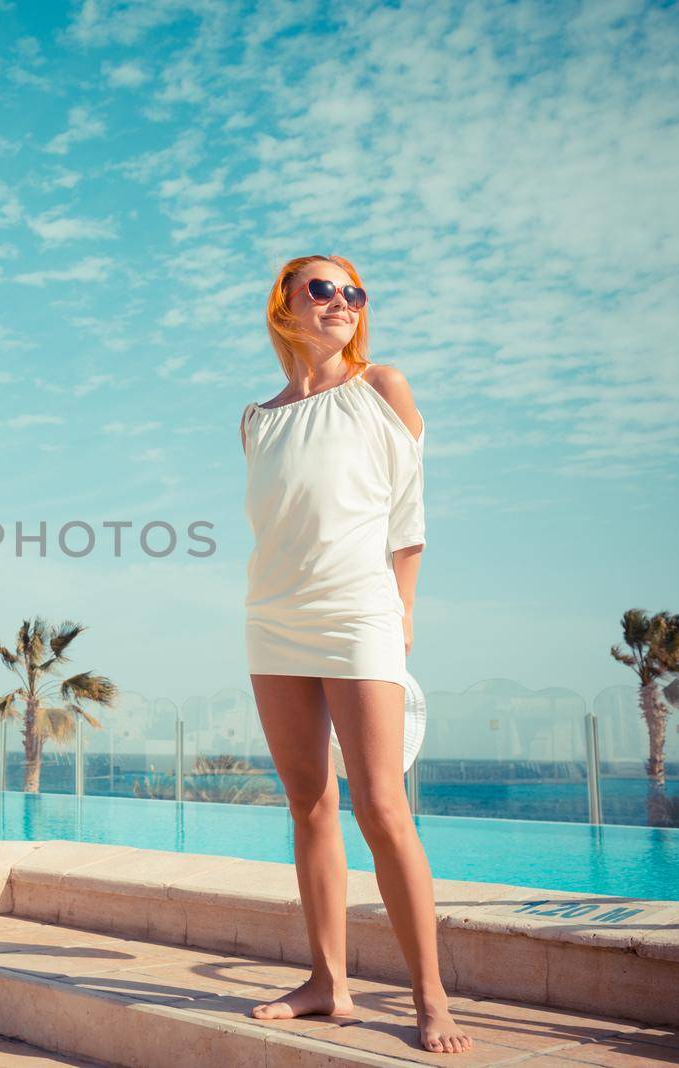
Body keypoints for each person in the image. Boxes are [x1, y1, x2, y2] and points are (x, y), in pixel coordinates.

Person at [238, 255, 471, 1054]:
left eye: (354, 292)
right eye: (322, 289)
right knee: (308, 804)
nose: (342, 302)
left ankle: (431, 997)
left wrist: (402, 611)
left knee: (380, 805)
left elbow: (409, 515)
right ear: (285, 306)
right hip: (273, 619)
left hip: (360, 612)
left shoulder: (383, 388)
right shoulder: (257, 417)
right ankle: (326, 983)